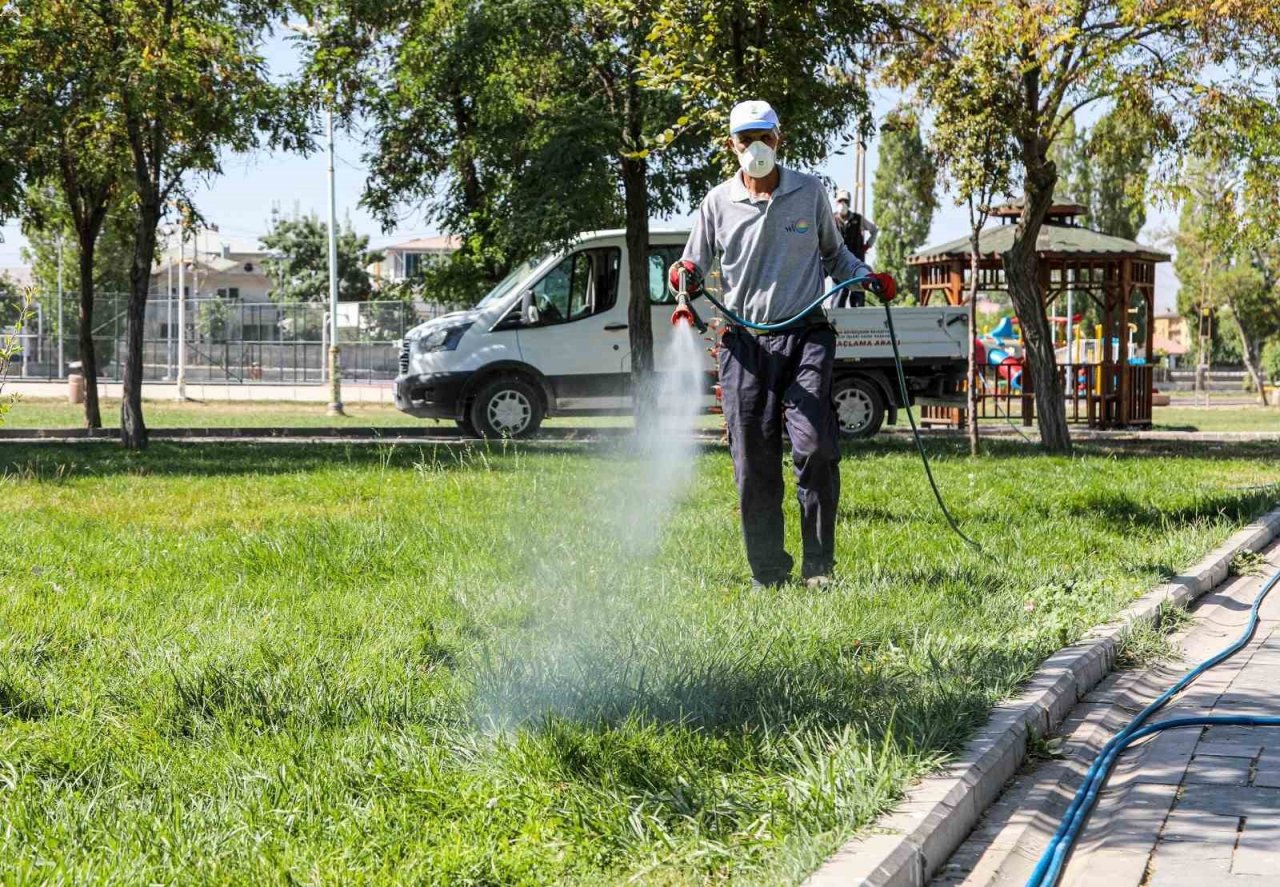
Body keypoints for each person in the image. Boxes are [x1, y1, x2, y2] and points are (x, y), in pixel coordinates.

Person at [676, 99, 878, 589]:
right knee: (753, 463)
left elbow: (836, 256)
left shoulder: (809, 192)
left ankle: (818, 568)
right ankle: (769, 573)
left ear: (778, 138)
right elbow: (691, 267)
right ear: (733, 145)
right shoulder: (716, 203)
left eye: (763, 137)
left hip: (807, 335)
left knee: (815, 449)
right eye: (745, 140)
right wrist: (683, 278)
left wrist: (867, 277)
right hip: (744, 344)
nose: (755, 148)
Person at [829, 189, 878, 308]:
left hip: (857, 265)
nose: (842, 203)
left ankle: (858, 326)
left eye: (845, 201)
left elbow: (874, 230)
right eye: (840, 200)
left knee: (858, 302)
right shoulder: (831, 219)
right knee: (837, 302)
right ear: (836, 202)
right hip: (838, 267)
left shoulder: (858, 219)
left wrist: (868, 245)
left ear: (849, 203)